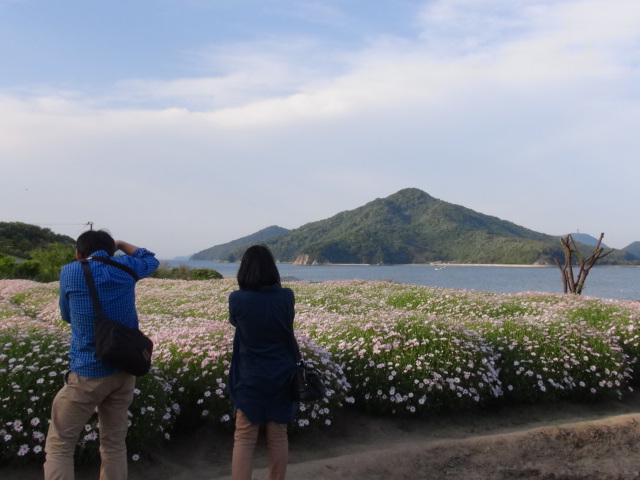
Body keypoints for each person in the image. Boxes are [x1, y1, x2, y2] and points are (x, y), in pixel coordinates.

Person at [44, 229, 159, 480]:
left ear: (78, 254)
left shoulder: (71, 271)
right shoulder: (126, 266)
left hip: (87, 371)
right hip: (123, 369)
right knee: (114, 444)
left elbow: (66, 316)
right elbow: (151, 259)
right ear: (111, 251)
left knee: (60, 446)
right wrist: (120, 244)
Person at [228, 245, 298, 480]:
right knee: (278, 435)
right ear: (272, 269)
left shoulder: (237, 299)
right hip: (282, 374)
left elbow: (235, 323)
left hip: (249, 375)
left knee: (245, 437)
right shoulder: (287, 296)